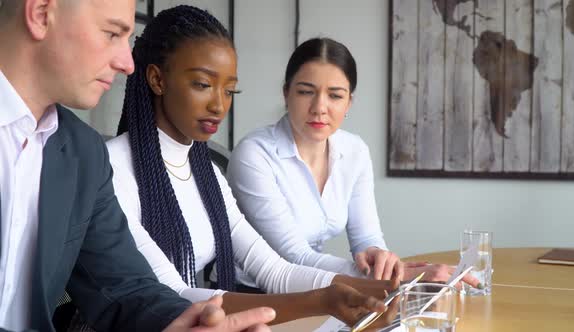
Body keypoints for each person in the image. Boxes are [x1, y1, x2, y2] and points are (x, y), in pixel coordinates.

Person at [106, 5, 400, 327]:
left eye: (229, 90)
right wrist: (324, 299)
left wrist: (390, 289)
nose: (219, 105)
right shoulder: (111, 169)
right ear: (157, 79)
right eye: (203, 84)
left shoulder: (208, 176)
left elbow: (276, 271)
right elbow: (173, 294)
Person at [0, 0, 275, 331]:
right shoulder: (111, 158)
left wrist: (185, 322)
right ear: (41, 14)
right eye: (112, 33)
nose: (127, 64)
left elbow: (124, 286)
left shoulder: (83, 152)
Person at [227, 37, 480, 287]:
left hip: (319, 287)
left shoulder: (354, 150)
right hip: (254, 292)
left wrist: (381, 261)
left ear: (349, 101)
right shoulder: (254, 155)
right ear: (286, 93)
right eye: (305, 92)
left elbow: (367, 239)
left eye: (335, 96)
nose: (319, 107)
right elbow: (293, 255)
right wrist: (401, 275)